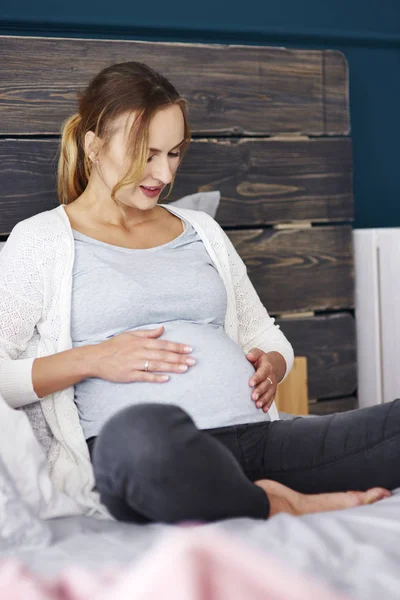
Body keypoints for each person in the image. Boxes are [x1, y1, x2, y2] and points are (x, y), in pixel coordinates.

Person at [0, 61, 398, 523]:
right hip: (146, 453)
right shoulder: (41, 241)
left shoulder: (201, 230)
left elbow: (266, 336)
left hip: (257, 437)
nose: (163, 174)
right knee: (141, 437)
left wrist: (273, 365)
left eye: (173, 154)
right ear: (93, 145)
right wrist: (94, 359)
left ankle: (249, 491)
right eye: (145, 154)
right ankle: (272, 502)